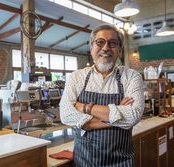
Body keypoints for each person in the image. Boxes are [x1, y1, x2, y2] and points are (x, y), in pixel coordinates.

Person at [59, 24, 144, 167]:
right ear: (91, 47)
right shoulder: (77, 77)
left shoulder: (131, 76)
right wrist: (115, 116)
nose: (106, 48)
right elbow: (65, 114)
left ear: (120, 50)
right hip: (83, 161)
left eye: (112, 43)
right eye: (100, 42)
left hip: (121, 162)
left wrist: (85, 108)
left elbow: (133, 116)